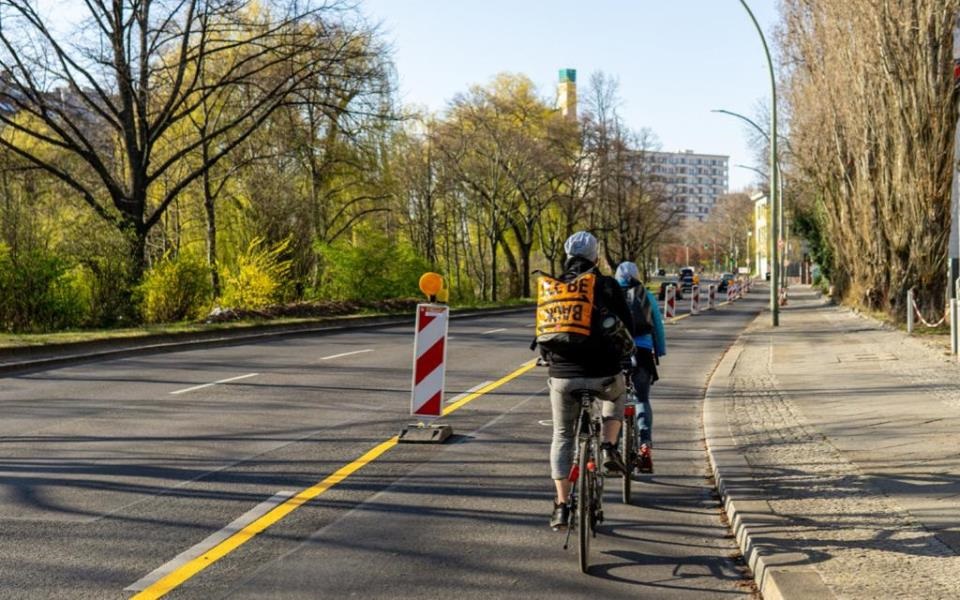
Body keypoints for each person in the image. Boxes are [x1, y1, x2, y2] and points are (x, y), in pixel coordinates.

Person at [540, 231, 635, 530]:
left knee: (562, 436)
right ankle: (608, 445)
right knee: (618, 396)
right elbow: (628, 329)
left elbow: (543, 334)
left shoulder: (553, 286)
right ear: (596, 257)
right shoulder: (607, 285)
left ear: (567, 256)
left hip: (563, 377)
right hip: (604, 373)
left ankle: (561, 506)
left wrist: (549, 357)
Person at [615, 261, 667, 473]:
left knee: (614, 401)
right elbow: (657, 326)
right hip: (643, 354)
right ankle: (645, 445)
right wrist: (660, 350)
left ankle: (613, 448)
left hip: (616, 354)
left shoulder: (610, 294)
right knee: (642, 399)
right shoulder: (646, 295)